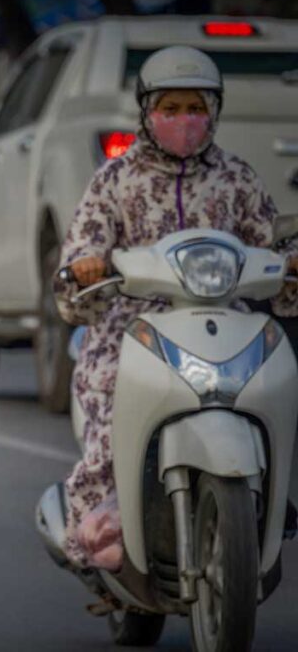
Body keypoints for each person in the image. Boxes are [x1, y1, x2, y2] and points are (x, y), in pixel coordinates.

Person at [45, 46, 298, 570]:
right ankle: (101, 510)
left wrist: (289, 264)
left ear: (215, 111)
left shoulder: (238, 178)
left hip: (226, 316)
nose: (184, 120)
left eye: (196, 108)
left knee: (274, 378)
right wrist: (89, 265)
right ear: (146, 111)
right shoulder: (115, 180)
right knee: (106, 384)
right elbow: (80, 256)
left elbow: (269, 243)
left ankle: (271, 493)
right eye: (171, 107)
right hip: (131, 322)